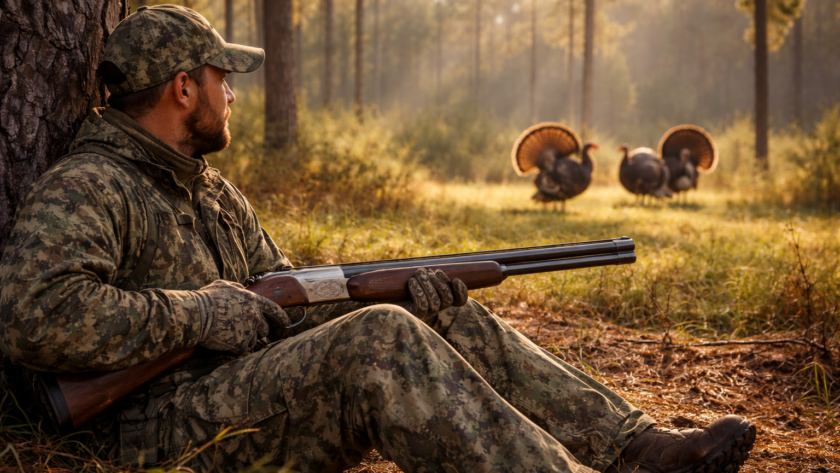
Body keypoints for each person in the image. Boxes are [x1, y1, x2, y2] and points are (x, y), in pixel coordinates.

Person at [0, 6, 756, 473]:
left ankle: (634, 446)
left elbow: (280, 296)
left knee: (425, 310)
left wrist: (402, 288)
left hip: (228, 393)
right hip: (157, 431)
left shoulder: (212, 191)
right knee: (379, 339)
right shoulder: (92, 182)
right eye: (223, 76)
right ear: (182, 88)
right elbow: (31, 315)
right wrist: (198, 314)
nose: (234, 92)